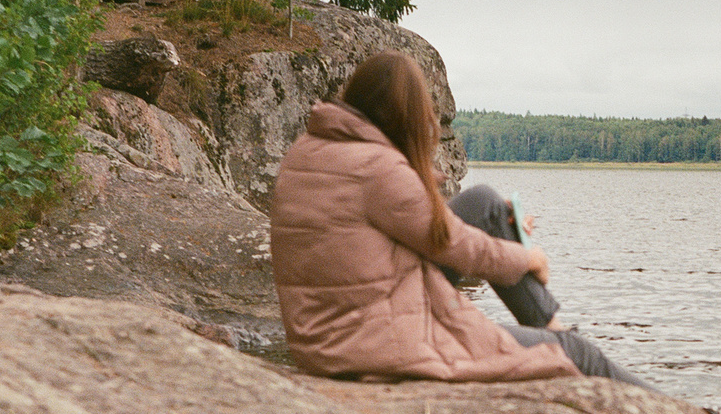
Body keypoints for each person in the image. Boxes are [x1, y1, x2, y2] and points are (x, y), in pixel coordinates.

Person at [269, 50, 645, 385]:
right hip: (374, 342)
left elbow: (406, 217)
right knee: (579, 353)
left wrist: (499, 230)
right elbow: (454, 244)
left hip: (331, 331)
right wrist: (527, 257)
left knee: (485, 204)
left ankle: (549, 327)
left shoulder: (310, 150)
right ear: (407, 116)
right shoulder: (379, 169)